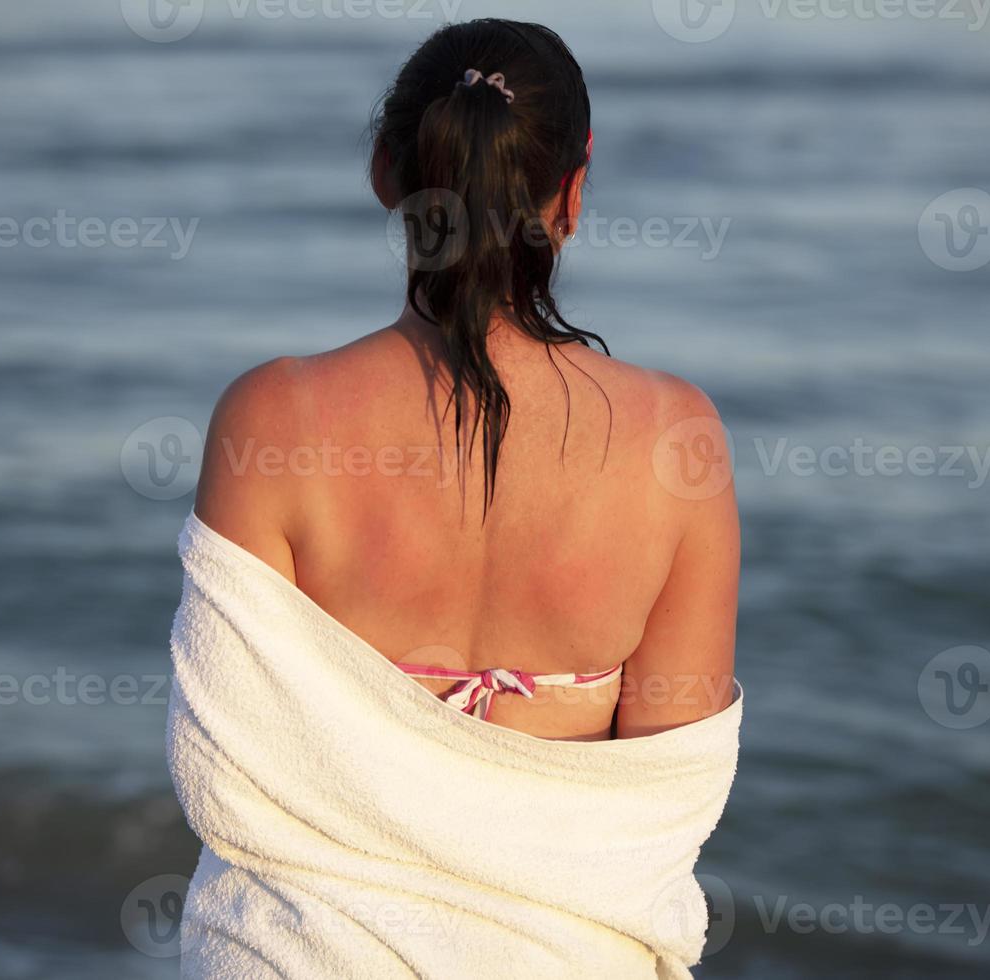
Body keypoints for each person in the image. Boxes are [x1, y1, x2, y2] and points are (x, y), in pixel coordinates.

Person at [168, 19, 743, 977]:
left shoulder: (273, 415)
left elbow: (229, 761)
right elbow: (664, 798)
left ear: (388, 175)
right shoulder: (675, 438)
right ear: (575, 188)